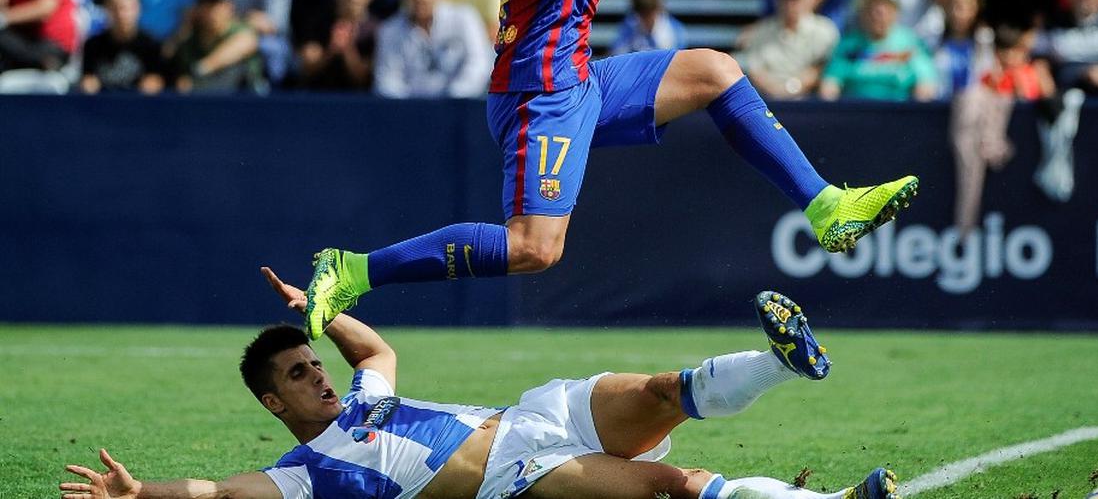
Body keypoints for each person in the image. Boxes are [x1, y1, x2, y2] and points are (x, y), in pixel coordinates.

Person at [304, 0, 918, 340]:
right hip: (538, 93)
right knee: (534, 249)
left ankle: (825, 207)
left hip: (578, 79)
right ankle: (353, 270)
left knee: (716, 71)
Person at [58, 268, 900, 499]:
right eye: (298, 376)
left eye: (312, 364)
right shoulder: (303, 476)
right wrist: (142, 494)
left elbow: (373, 348)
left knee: (659, 392)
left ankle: (782, 361)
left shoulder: (365, 399)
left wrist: (317, 313)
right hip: (515, 474)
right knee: (668, 485)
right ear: (273, 404)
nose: (318, 377)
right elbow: (218, 492)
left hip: (535, 413)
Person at [372, 0, 491, 99]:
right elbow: (387, 80)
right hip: (408, 108)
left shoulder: (465, 19)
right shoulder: (390, 31)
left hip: (460, 105)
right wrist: (411, 106)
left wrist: (453, 97)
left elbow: (479, 63)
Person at [820, 0, 939, 102]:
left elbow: (926, 84)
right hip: (855, 111)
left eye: (885, 7)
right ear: (862, 11)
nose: (878, 14)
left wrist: (921, 97)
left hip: (898, 111)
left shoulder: (910, 43)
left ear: (895, 12)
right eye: (872, 7)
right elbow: (830, 84)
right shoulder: (848, 46)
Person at [735, 0, 839, 99]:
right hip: (768, 101)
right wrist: (777, 91)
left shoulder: (824, 30)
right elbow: (754, 69)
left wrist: (792, 87)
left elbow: (824, 67)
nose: (790, 2)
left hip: (811, 102)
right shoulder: (761, 31)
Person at [297, 0, 377, 91]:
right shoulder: (319, 23)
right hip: (318, 96)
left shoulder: (377, 30)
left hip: (358, 100)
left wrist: (348, 50)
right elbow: (306, 67)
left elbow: (364, 78)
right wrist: (330, 51)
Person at [79, 0, 165, 94]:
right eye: (114, 7)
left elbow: (156, 81)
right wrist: (89, 85)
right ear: (106, 8)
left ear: (138, 8)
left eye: (126, 7)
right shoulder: (92, 45)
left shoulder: (152, 45)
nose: (121, 14)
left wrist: (152, 85)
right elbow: (87, 80)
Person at [610, 0, 687, 54]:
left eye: (650, 14)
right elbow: (617, 53)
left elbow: (676, 59)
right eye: (643, 15)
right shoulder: (628, 26)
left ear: (658, 10)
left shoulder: (674, 30)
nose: (647, 20)